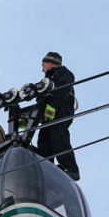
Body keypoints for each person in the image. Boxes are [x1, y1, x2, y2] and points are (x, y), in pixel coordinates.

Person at [37, 51, 80, 181]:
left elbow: (63, 89)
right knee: (43, 140)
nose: (42, 68)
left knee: (58, 136)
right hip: (47, 116)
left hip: (60, 110)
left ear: (50, 63)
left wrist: (52, 106)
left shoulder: (64, 73)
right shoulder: (45, 81)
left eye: (43, 64)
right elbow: (40, 99)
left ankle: (70, 168)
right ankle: (46, 169)